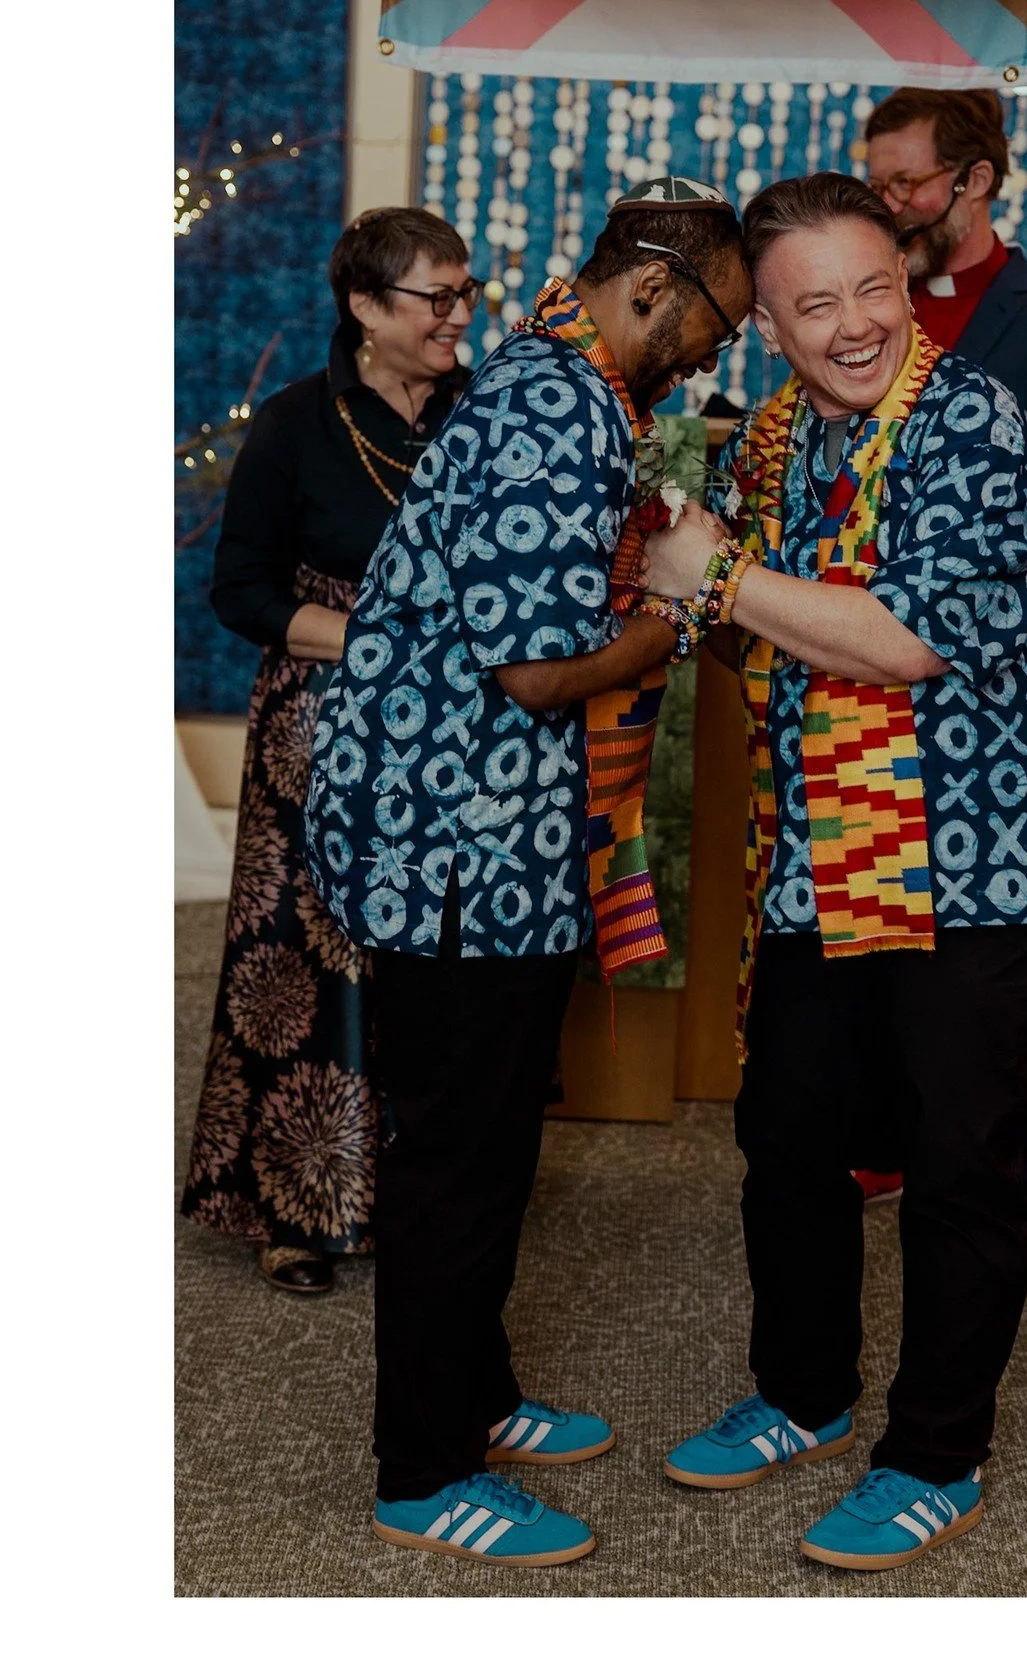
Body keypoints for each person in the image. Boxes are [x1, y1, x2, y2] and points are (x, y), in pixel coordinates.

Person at [647, 173, 1027, 1572]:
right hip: (823, 856)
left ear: (908, 280)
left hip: (980, 872)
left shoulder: (977, 423)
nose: (854, 325)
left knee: (964, 1165)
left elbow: (902, 637)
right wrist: (682, 576)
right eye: (814, 302)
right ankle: (803, 1388)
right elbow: (725, 610)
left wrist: (710, 577)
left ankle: (935, 1450)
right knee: (788, 1135)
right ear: (768, 324)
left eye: (873, 288)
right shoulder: (772, 438)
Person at [303, 176, 754, 1568]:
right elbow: (537, 667)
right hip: (453, 848)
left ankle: (477, 1391)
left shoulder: (564, 388)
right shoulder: (553, 407)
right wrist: (678, 618)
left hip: (492, 838)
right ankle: (422, 1469)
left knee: (497, 1143)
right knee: (459, 1160)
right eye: (717, 325)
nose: (715, 355)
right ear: (654, 288)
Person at [181, 207, 476, 1294]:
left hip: (457, 721)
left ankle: (416, 1189)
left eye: (465, 294)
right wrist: (379, 642)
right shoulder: (298, 422)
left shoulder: (479, 411)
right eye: (434, 297)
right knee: (301, 963)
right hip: (321, 717)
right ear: (364, 304)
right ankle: (292, 1209)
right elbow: (240, 591)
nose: (456, 317)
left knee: (432, 960)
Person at [854, 86, 1027, 1236]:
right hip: (858, 668)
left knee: (985, 938)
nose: (891, 204)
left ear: (977, 179)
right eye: (879, 183)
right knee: (879, 914)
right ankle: (886, 1132)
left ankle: (1015, 1157)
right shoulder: (865, 313)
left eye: (908, 182)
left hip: (982, 683)